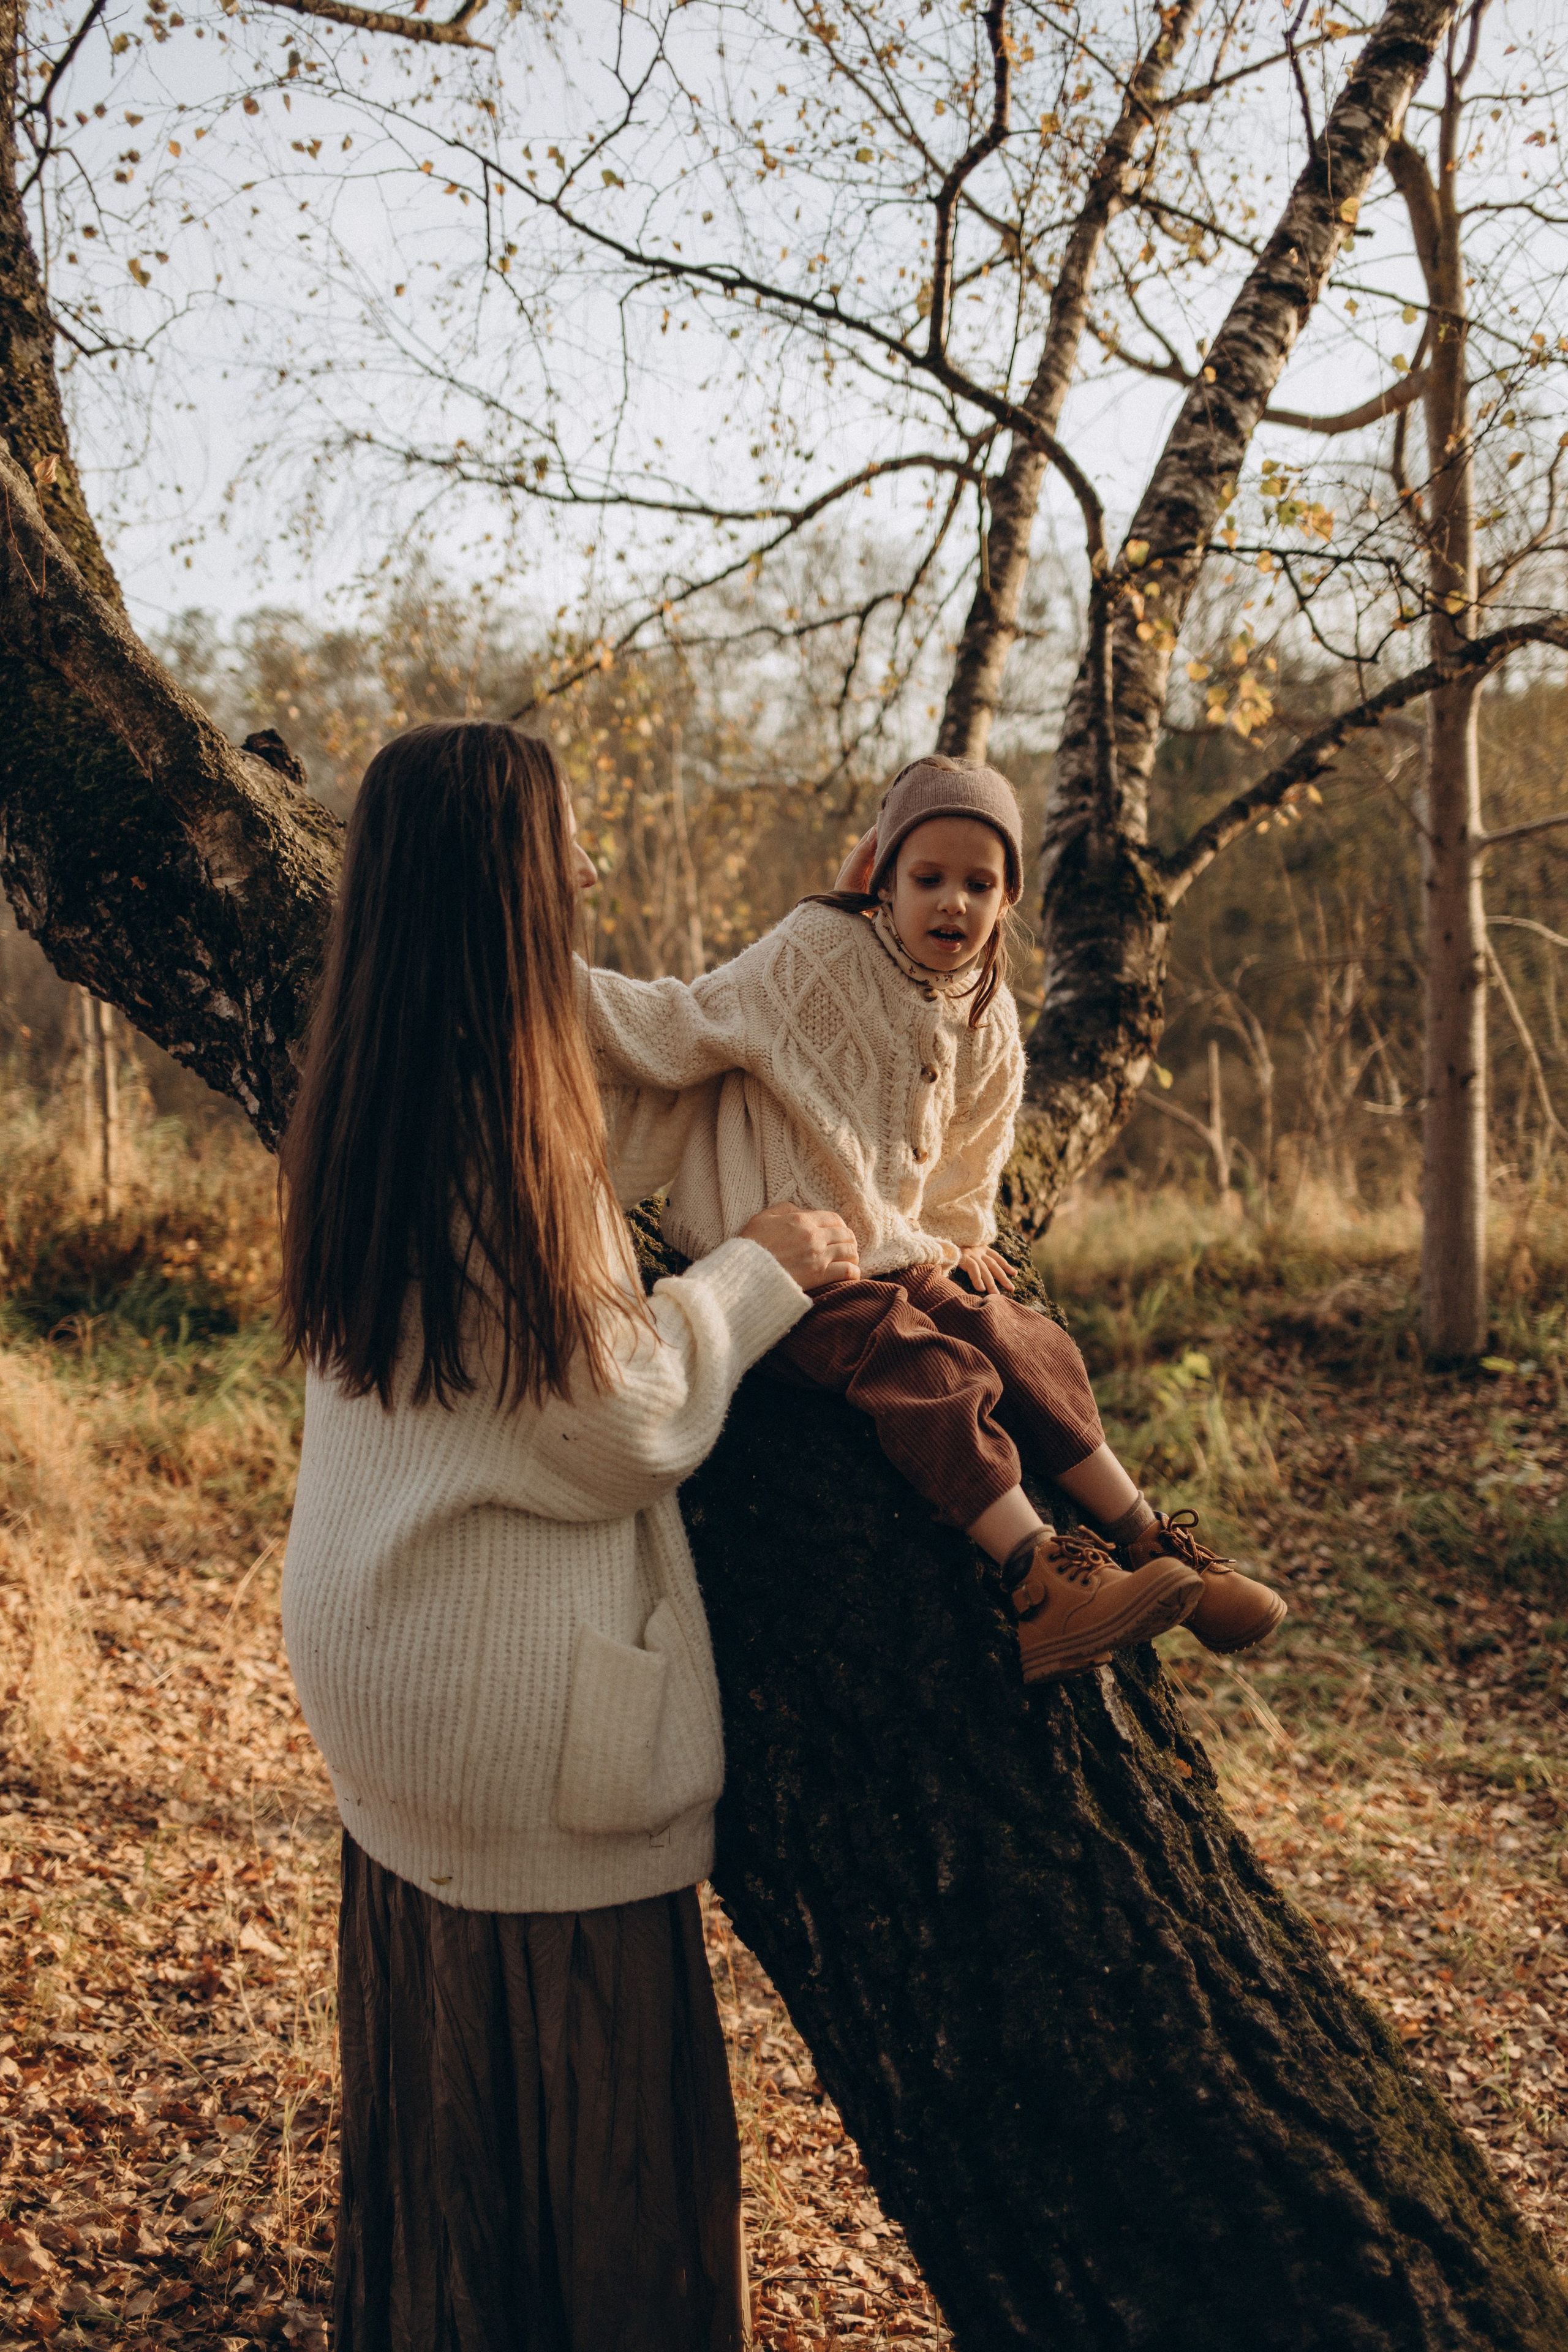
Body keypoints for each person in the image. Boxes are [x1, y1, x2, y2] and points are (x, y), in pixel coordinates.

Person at [277, 720, 859, 2351]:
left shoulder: (383, 1078)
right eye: (571, 843)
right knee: (605, 2184)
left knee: (455, 2156)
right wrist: (759, 1267)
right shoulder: (486, 1125)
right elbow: (613, 1421)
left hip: (394, 1672)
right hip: (502, 1732)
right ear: (507, 884)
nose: (594, 869)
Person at [584, 753, 1287, 1682]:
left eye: (978, 884)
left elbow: (973, 1142)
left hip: (891, 1252)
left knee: (1015, 1335)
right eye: (929, 879)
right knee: (926, 1365)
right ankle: (1038, 1576)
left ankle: (1150, 1537)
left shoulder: (987, 1012)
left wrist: (963, 1232)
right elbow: (682, 1021)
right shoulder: (814, 954)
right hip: (781, 1272)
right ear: (882, 881)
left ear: (1008, 898)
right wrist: (542, 983)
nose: (952, 903)